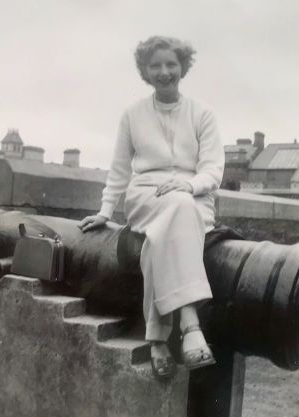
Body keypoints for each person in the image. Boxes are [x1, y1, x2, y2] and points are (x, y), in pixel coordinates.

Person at [79, 36, 224, 380]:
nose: (164, 72)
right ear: (145, 71)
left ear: (182, 67)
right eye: (155, 65)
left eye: (171, 64)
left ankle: (157, 339)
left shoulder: (203, 114)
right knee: (176, 209)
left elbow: (213, 170)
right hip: (146, 196)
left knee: (156, 242)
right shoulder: (132, 115)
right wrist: (105, 211)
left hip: (194, 197)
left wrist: (188, 185)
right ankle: (190, 325)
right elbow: (119, 170)